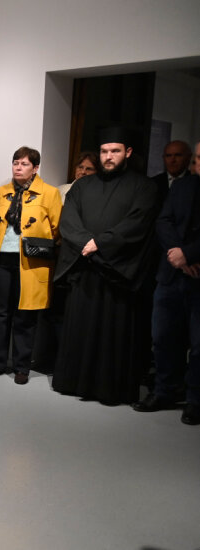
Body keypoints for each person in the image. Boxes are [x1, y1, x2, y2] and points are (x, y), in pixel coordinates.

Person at [52, 127, 160, 405]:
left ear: (128, 152)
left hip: (117, 275)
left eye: (115, 151)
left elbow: (137, 223)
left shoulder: (144, 187)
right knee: (80, 329)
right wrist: (86, 242)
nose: (108, 156)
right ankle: (72, 382)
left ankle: (109, 389)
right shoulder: (82, 186)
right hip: (85, 271)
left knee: (114, 335)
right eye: (104, 151)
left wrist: (99, 243)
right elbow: (68, 220)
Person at [0, 147, 62, 384]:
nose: (18, 167)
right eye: (15, 163)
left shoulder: (49, 193)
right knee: (0, 313)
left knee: (25, 314)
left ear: (35, 168)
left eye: (24, 164)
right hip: (2, 259)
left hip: (31, 261)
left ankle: (22, 367)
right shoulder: (2, 192)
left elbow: (57, 228)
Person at [133, 170, 200, 424]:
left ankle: (195, 400)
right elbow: (163, 220)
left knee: (198, 346)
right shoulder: (182, 186)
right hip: (171, 274)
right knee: (163, 337)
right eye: (197, 157)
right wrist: (177, 254)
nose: (198, 163)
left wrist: (189, 255)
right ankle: (164, 391)